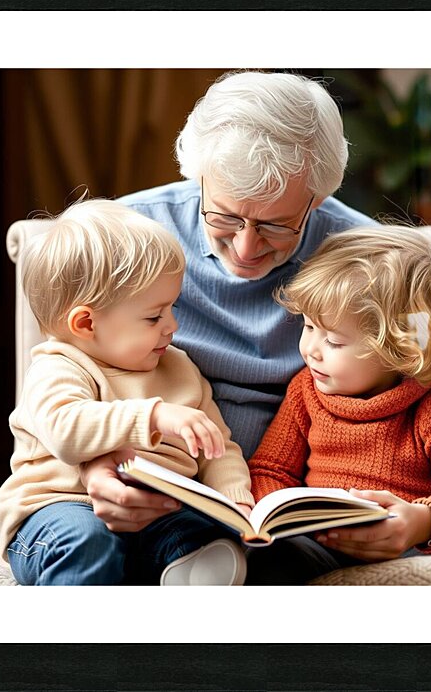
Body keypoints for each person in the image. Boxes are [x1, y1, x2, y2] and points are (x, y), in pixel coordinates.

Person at [78, 70, 378, 533]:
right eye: (225, 216)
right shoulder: (126, 236)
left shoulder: (369, 256)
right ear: (199, 178)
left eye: (277, 225)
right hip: (158, 494)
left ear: (317, 199)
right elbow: (64, 378)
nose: (245, 248)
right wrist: (93, 465)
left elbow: (428, 387)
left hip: (302, 509)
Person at [0, 199, 255, 585]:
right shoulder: (58, 366)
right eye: (154, 316)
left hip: (159, 517)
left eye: (171, 308)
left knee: (206, 536)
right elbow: (67, 430)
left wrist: (234, 498)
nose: (173, 325)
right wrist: (152, 416)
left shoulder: (179, 367)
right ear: (86, 323)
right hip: (58, 510)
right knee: (84, 540)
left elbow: (219, 446)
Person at [244, 224, 431, 584]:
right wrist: (285, 517)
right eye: (309, 327)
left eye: (334, 341)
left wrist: (422, 523)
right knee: (271, 561)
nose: (310, 349)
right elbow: (270, 471)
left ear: (401, 348)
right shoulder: (306, 390)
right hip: (320, 545)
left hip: (407, 547)